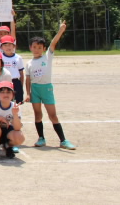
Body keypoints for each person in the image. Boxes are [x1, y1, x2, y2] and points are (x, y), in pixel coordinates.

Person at [25, 21, 76, 150]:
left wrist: (60, 31)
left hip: (46, 88)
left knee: (52, 115)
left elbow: (53, 43)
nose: (36, 49)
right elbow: (28, 79)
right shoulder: (29, 63)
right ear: (30, 47)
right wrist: (28, 93)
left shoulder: (47, 57)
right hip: (35, 89)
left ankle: (63, 140)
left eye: (39, 47)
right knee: (37, 114)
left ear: (43, 48)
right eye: (34, 47)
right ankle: (41, 138)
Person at [0, 35, 25, 104]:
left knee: (17, 102)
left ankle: (17, 115)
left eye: (10, 45)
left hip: (16, 82)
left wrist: (21, 86)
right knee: (5, 101)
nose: (8, 47)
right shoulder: (0, 57)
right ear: (1, 47)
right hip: (4, 82)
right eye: (5, 45)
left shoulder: (18, 57)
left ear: (14, 46)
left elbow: (21, 73)